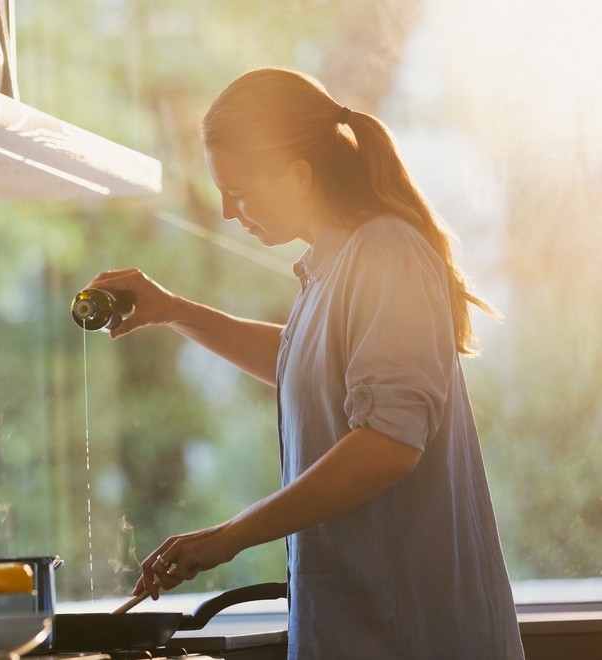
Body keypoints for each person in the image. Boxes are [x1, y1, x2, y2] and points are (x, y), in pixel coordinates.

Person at [86, 68, 524, 659]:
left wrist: (228, 538)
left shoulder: (386, 254)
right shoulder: (336, 263)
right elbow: (308, 368)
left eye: (238, 192)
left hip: (413, 637)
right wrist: (174, 310)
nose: (224, 211)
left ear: (298, 174)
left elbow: (388, 443)